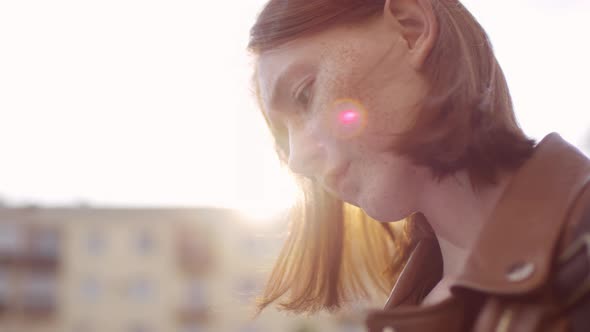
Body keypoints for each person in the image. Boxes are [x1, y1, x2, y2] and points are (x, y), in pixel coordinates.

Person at [246, 0, 590, 331]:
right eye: (283, 137)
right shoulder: (418, 304)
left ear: (411, 28)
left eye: (305, 94)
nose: (297, 159)